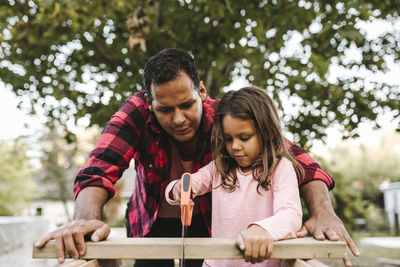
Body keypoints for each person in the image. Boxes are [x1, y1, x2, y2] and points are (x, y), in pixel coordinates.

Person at [35, 48, 359, 267]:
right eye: (165, 109)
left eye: (186, 105)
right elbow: (98, 170)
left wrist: (323, 211)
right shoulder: (134, 112)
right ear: (149, 101)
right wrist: (85, 216)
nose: (178, 119)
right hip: (152, 224)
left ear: (201, 92)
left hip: (207, 226)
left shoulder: (227, 120)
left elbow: (296, 158)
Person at [165, 86, 304, 266]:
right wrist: (178, 189)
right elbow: (190, 182)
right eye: (229, 139)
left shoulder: (280, 168)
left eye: (244, 138)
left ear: (267, 133)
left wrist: (262, 230)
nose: (235, 146)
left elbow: (291, 214)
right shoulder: (219, 168)